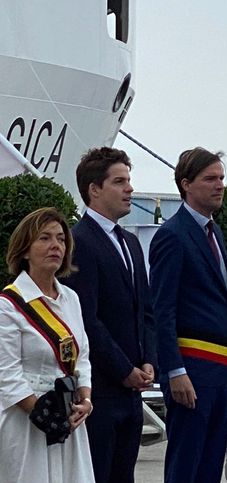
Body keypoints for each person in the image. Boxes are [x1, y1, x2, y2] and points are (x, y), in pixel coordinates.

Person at [149, 147, 227, 483]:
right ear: (186, 184)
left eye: (221, 177)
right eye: (211, 179)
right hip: (190, 369)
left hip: (219, 370)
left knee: (209, 466)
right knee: (186, 465)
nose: (220, 185)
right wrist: (174, 369)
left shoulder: (214, 233)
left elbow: (223, 302)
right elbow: (162, 309)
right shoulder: (172, 236)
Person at [62, 147, 156, 483]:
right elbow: (87, 319)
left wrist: (148, 362)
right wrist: (123, 369)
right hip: (101, 391)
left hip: (132, 390)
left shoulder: (131, 243)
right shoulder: (79, 242)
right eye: (119, 181)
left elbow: (145, 310)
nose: (129, 188)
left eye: (129, 180)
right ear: (94, 190)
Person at [0, 208, 94, 482]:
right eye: (44, 238)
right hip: (26, 420)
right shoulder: (9, 305)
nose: (55, 245)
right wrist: (41, 411)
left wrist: (85, 400)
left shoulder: (71, 299)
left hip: (68, 417)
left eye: (61, 239)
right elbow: (6, 373)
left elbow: (82, 356)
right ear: (25, 250)